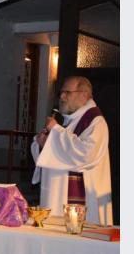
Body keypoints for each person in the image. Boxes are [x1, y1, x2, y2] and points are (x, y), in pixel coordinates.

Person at [31, 75, 113, 225]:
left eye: (67, 92)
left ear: (83, 95)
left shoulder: (96, 122)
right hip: (56, 195)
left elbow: (86, 154)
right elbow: (57, 153)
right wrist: (42, 143)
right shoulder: (69, 120)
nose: (61, 97)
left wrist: (55, 131)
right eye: (61, 92)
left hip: (83, 199)